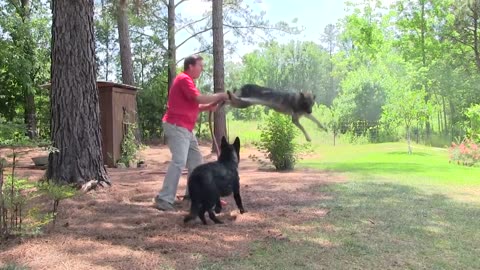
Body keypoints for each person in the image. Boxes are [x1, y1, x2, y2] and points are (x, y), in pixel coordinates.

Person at [154, 54, 229, 211]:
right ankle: (164, 198)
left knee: (196, 163)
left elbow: (194, 105)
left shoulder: (188, 83)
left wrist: (208, 107)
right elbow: (198, 99)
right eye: (200, 66)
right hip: (177, 126)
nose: (202, 69)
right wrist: (220, 95)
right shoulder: (184, 79)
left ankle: (192, 196)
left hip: (186, 129)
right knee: (179, 162)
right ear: (191, 66)